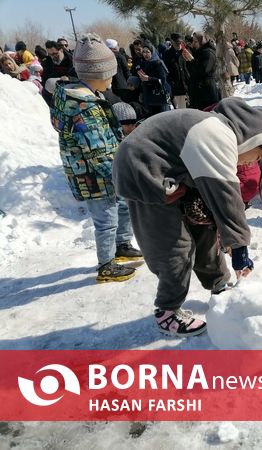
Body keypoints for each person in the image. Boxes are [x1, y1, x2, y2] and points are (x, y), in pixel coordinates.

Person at [112, 97, 262, 337]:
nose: (251, 162)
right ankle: (167, 311)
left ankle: (219, 284)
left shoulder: (218, 130)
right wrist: (240, 250)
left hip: (173, 175)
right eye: (256, 157)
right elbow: (227, 199)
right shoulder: (216, 134)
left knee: (205, 230)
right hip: (145, 175)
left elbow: (219, 205)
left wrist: (226, 233)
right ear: (253, 140)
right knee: (175, 248)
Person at [50, 33, 142, 282]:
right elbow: (97, 152)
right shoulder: (85, 107)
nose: (112, 80)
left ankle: (122, 245)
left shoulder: (84, 96)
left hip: (103, 172)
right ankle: (106, 265)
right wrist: (120, 174)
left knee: (122, 206)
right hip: (95, 176)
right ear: (98, 74)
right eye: (110, 75)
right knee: (106, 220)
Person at [135, 42, 171, 116]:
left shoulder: (158, 63)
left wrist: (149, 79)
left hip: (158, 96)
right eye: (144, 52)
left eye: (147, 52)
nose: (145, 54)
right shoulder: (143, 64)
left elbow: (163, 81)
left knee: (162, 118)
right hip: (148, 96)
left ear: (152, 52)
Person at [163, 33, 190, 109]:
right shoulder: (167, 54)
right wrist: (172, 83)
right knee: (181, 112)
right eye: (177, 43)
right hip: (177, 88)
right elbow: (166, 71)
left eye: (180, 42)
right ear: (172, 42)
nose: (179, 44)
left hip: (188, 85)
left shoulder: (185, 52)